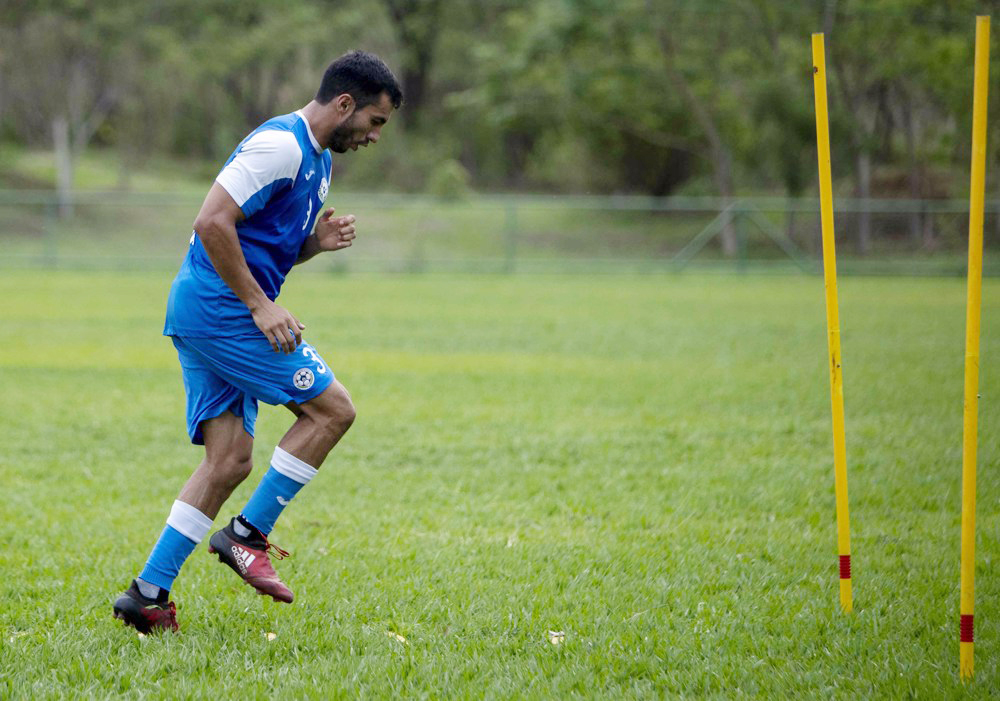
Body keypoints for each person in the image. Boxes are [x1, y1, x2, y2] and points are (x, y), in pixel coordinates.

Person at [112, 50, 403, 633]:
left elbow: (261, 242)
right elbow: (211, 221)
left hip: (207, 312)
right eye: (375, 122)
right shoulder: (281, 146)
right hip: (220, 311)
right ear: (345, 105)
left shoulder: (318, 164)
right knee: (332, 411)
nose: (375, 136)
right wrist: (259, 304)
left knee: (229, 462)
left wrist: (313, 244)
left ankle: (147, 595)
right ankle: (247, 535)